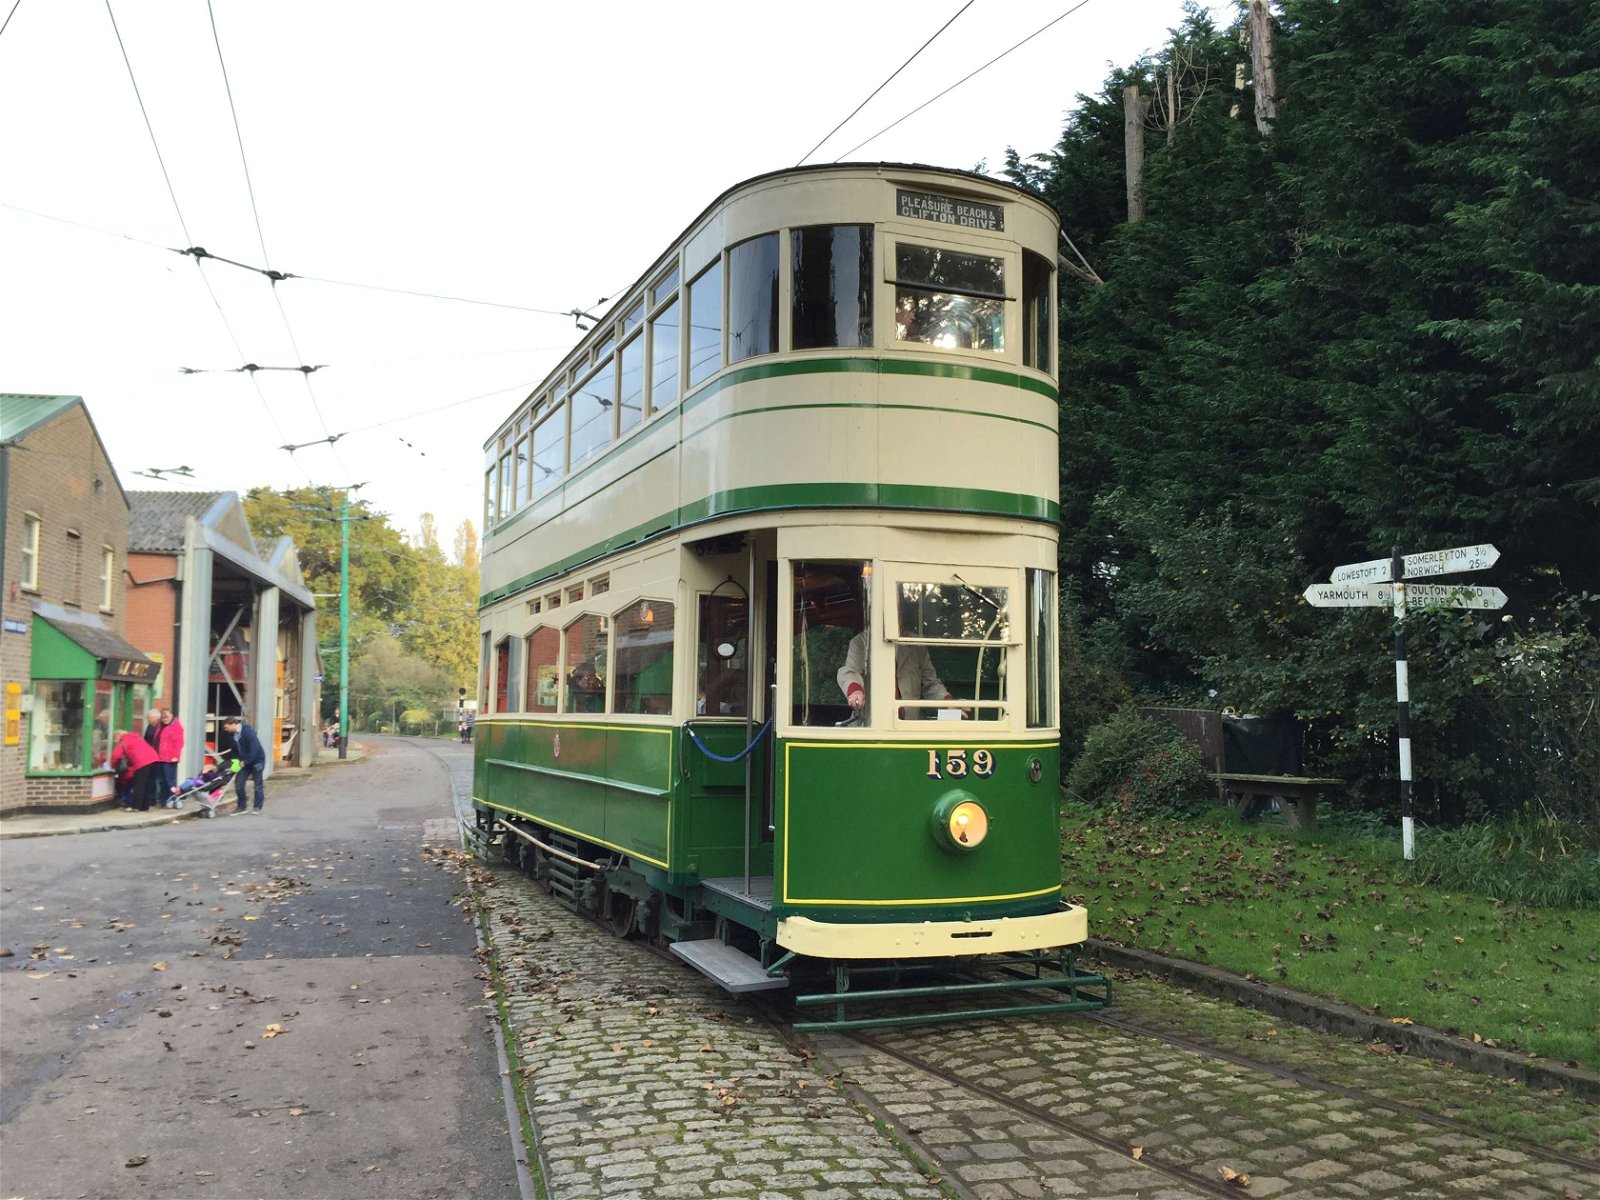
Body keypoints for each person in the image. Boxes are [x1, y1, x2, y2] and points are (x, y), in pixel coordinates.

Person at [837, 631, 962, 719]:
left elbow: (930, 684)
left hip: (909, 728)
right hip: (870, 728)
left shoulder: (915, 643)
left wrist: (947, 703)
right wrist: (855, 691)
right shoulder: (860, 642)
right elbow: (849, 672)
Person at [222, 715, 267, 814]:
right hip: (244, 763)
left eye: (226, 727)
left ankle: (257, 807)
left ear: (233, 724)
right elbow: (234, 751)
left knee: (257, 784)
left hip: (257, 760)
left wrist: (247, 761)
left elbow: (254, 747)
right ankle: (242, 807)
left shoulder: (247, 731)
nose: (226, 730)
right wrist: (236, 762)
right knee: (239, 784)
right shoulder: (231, 736)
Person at [109, 728, 161, 812]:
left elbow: (116, 755)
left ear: (118, 736)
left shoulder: (123, 740)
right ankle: (145, 806)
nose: (115, 742)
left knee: (139, 785)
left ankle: (136, 806)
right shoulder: (136, 738)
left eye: (115, 739)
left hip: (142, 762)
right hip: (155, 760)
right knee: (148, 784)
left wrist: (112, 766)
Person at [155, 706, 185, 807]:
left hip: (169, 758)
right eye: (163, 717)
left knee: (170, 780)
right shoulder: (160, 725)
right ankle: (163, 801)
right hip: (160, 757)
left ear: (172, 715)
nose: (164, 719)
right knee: (161, 780)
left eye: (166, 717)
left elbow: (179, 743)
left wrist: (176, 756)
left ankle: (173, 798)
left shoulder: (175, 726)